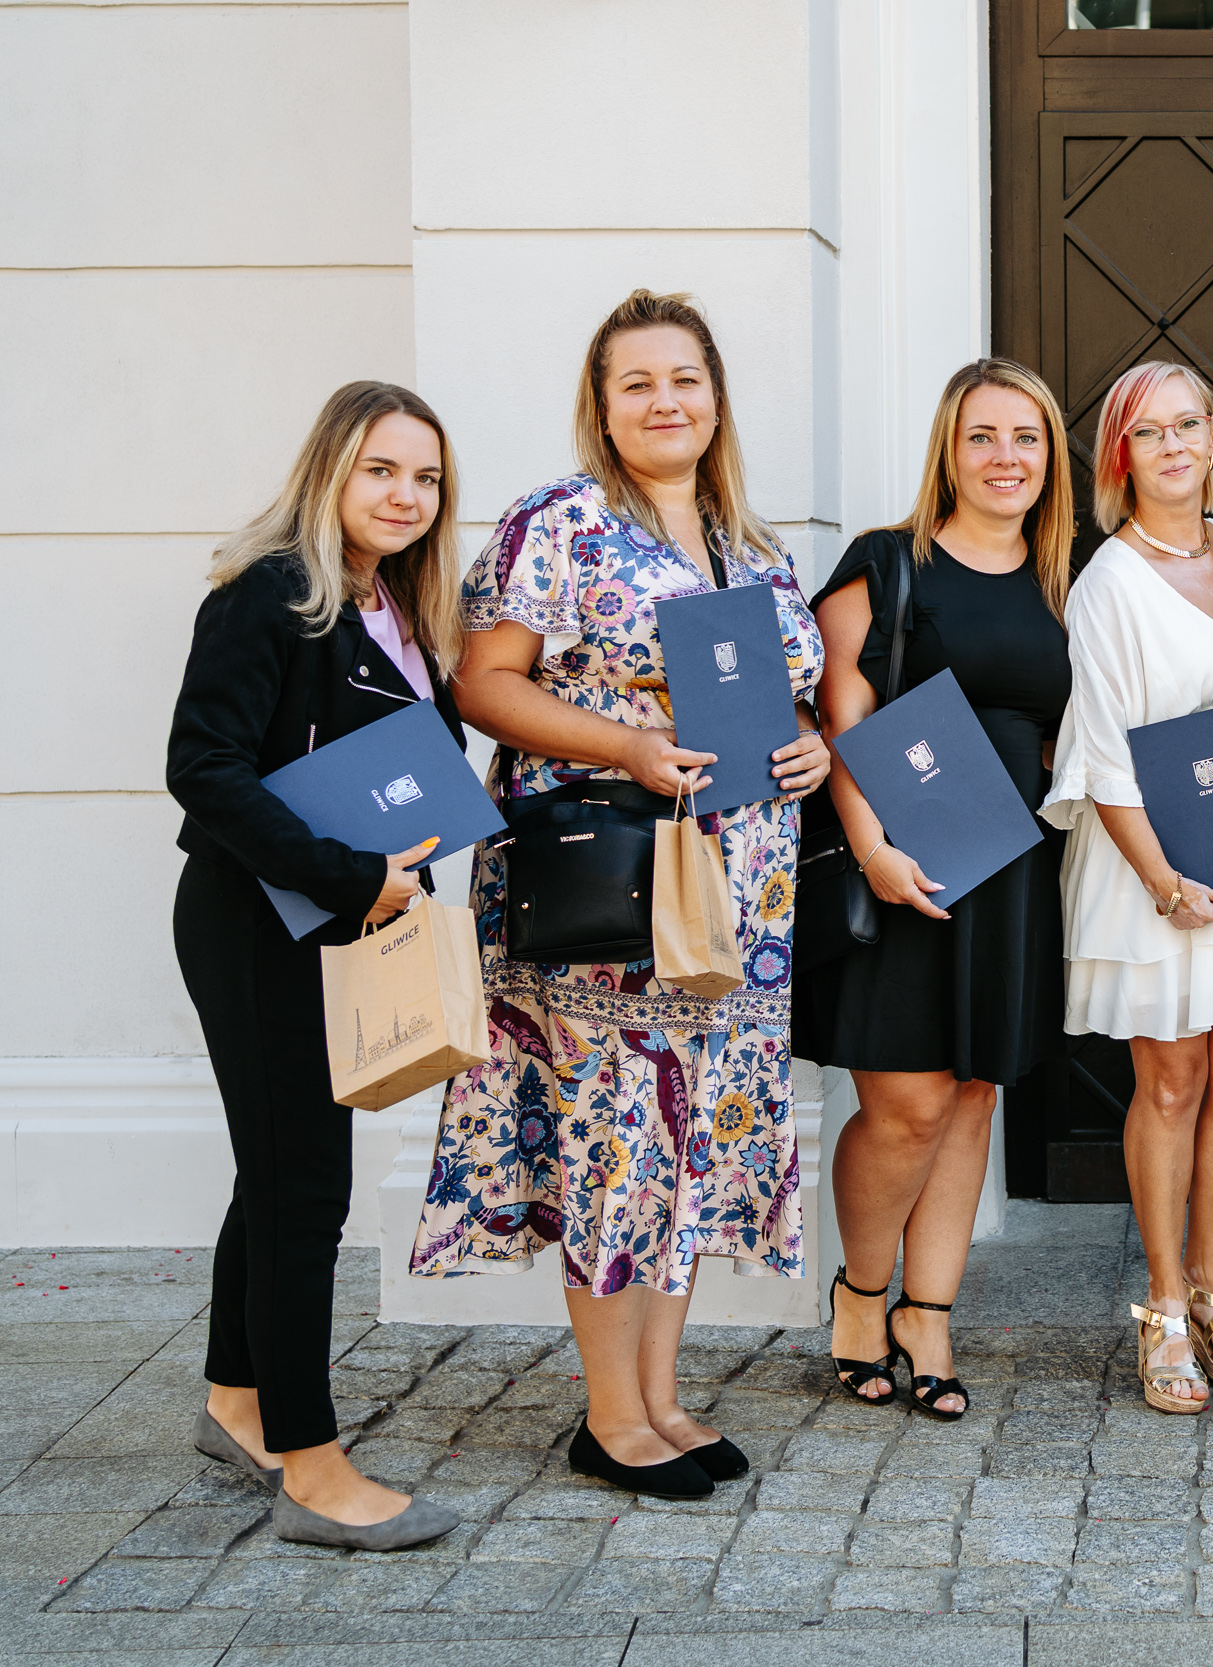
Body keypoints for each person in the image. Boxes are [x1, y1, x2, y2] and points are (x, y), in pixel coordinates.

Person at [410, 291, 831, 1500]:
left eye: (685, 379)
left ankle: (661, 1393)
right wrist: (625, 745)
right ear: (602, 403)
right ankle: (610, 1415)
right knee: (615, 1139)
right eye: (637, 381)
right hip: (609, 885)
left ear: (715, 397)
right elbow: (484, 685)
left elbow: (780, 695)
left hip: (737, 905)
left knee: (692, 1142)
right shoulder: (558, 522)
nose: (665, 401)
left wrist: (806, 744)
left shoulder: (747, 540)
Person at [167, 380, 466, 1549]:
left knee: (277, 1169)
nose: (405, 494)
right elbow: (205, 767)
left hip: (331, 920)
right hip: (255, 920)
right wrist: (351, 875)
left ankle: (237, 1400)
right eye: (381, 469)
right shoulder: (269, 593)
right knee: (306, 1190)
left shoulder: (390, 600)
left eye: (426, 477)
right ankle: (311, 1466)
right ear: (330, 471)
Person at [796, 360, 1075, 1419]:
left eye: (1027, 439)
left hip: (1009, 857)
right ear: (948, 453)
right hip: (901, 854)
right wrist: (871, 846)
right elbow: (841, 709)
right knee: (904, 1101)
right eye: (983, 437)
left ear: (1050, 458)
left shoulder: (1064, 574)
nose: (1006, 458)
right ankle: (861, 1291)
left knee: (969, 1094)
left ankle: (930, 1310)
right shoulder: (886, 560)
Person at [1042, 361, 1213, 1414]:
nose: (1171, 445)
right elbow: (1102, 751)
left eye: (1188, 424)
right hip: (1149, 853)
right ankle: (1159, 1305)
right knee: (1172, 1081)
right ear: (1121, 455)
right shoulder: (1108, 578)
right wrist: (1164, 880)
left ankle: (1210, 1282)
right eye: (1147, 431)